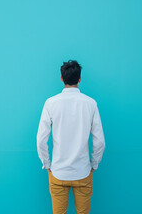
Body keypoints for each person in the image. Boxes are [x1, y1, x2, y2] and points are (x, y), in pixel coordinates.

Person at [36, 60, 105, 214]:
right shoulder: (90, 104)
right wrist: (94, 164)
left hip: (58, 172)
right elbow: (99, 141)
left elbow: (41, 139)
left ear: (61, 78)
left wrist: (47, 164)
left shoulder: (50, 103)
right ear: (80, 78)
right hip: (83, 171)